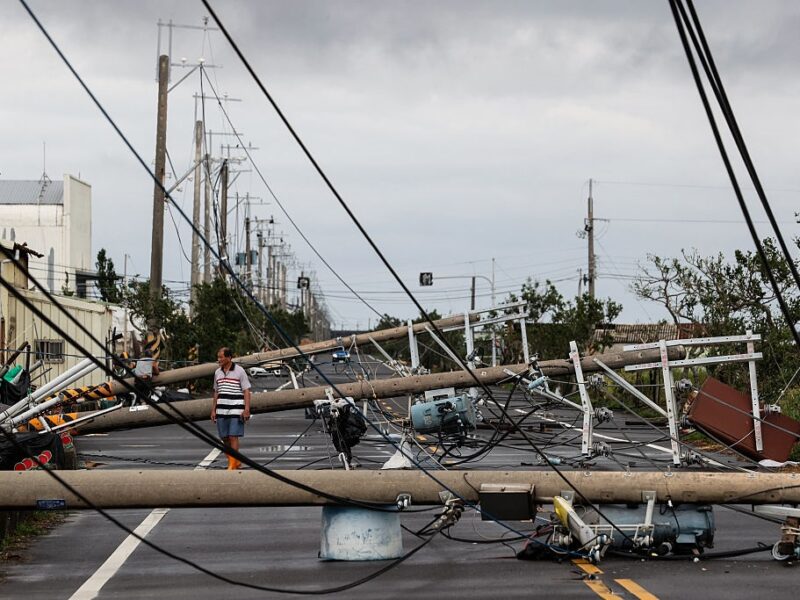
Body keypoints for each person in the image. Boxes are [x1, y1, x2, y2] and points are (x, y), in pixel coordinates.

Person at [210, 347, 252, 470]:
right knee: (224, 438)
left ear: (229, 358)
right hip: (221, 409)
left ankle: (233, 464)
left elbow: (246, 391)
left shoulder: (240, 371)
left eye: (221, 357)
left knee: (233, 436)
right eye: (218, 357)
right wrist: (213, 409)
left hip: (236, 408)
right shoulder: (217, 372)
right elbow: (216, 392)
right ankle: (234, 461)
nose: (219, 360)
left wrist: (247, 409)